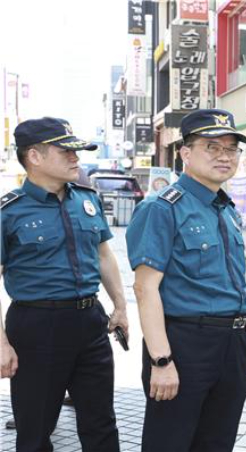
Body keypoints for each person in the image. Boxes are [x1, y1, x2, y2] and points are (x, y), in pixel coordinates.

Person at [126, 109, 246, 452]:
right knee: (170, 442)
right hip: (185, 344)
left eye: (231, 149)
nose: (224, 156)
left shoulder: (225, 209)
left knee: (217, 441)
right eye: (212, 147)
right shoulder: (162, 208)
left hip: (233, 344)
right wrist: (161, 362)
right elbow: (144, 288)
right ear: (185, 152)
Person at [0, 117, 128, 452]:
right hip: (36, 326)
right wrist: (1, 343)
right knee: (35, 428)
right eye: (66, 151)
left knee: (101, 423)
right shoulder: (8, 211)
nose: (76, 158)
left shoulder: (86, 199)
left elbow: (104, 255)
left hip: (90, 322)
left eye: (77, 151)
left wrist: (121, 306)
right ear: (35, 157)